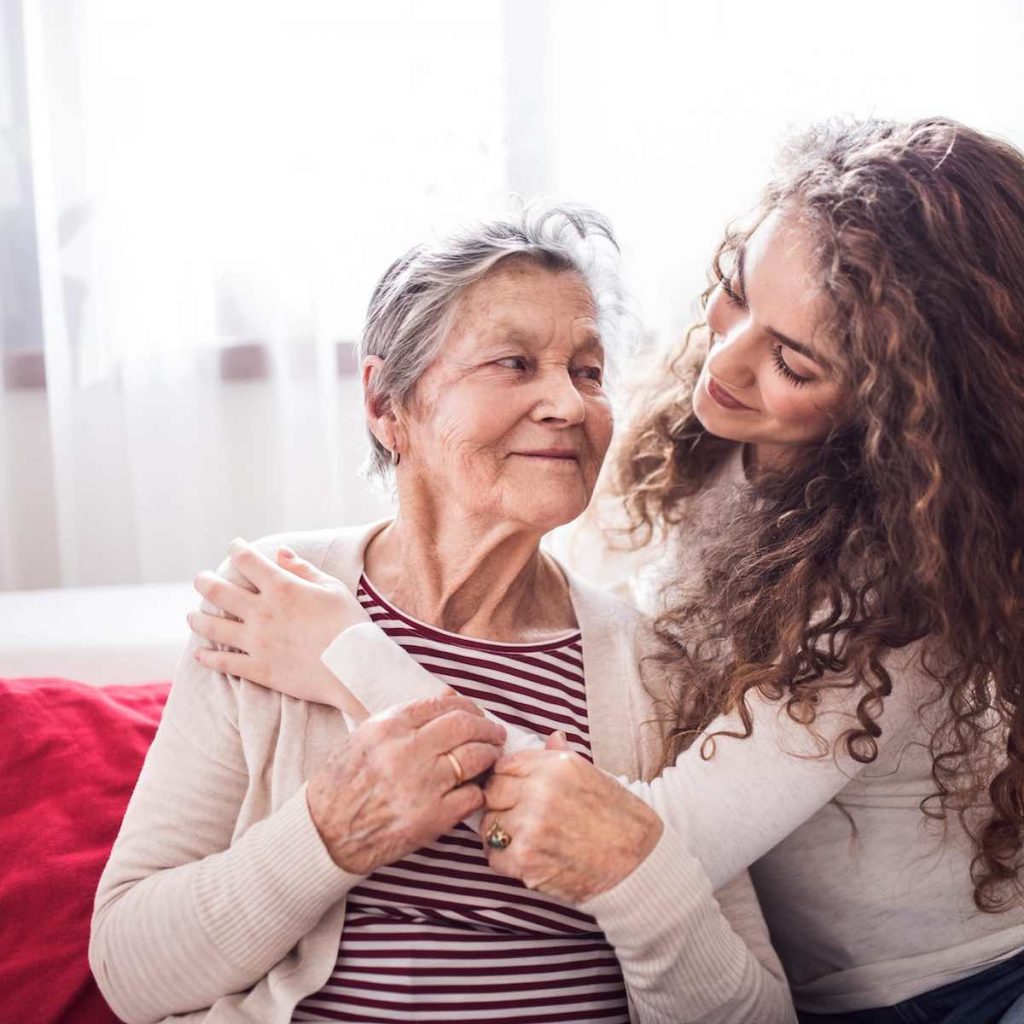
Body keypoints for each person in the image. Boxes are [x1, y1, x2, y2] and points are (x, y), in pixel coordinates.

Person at [193, 117, 1024, 1023]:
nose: (726, 360)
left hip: (950, 989)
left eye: (792, 361)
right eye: (737, 294)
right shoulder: (701, 435)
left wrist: (347, 659)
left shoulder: (895, 580)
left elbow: (643, 844)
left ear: (905, 405)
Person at [89, 205, 794, 1024]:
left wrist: (631, 870)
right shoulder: (274, 598)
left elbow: (757, 1014)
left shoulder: (651, 668)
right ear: (389, 404)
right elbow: (130, 970)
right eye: (515, 362)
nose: (567, 403)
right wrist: (329, 834)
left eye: (589, 371)